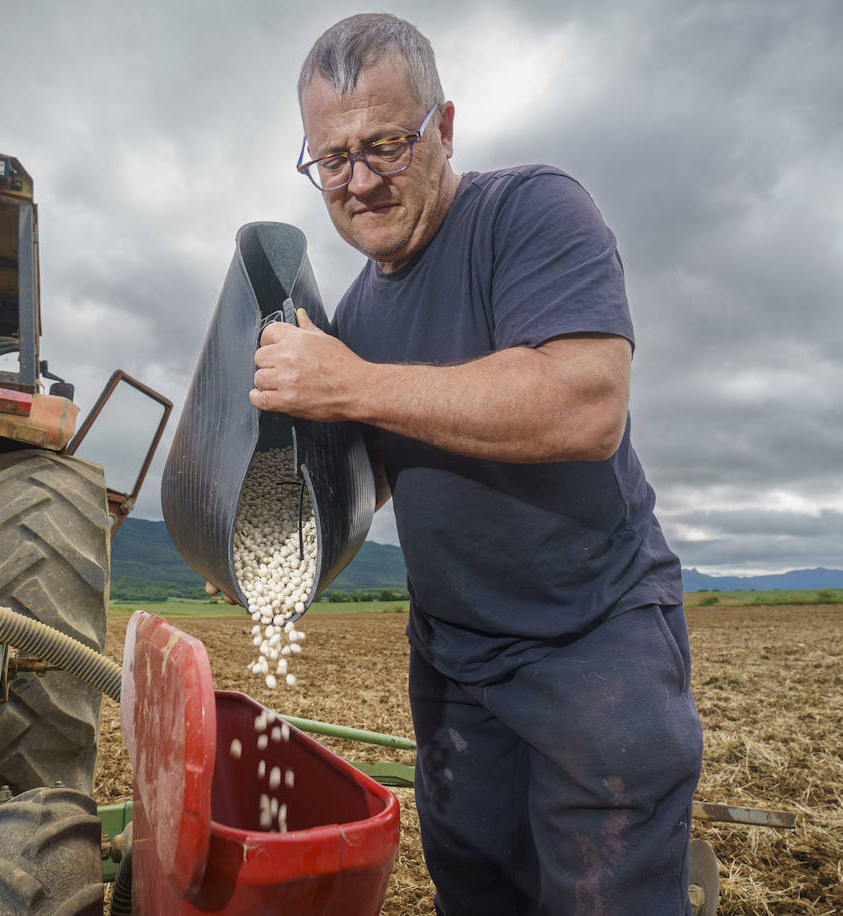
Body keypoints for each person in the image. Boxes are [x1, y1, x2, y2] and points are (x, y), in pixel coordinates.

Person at [248, 13, 705, 915]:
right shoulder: (355, 312)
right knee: (481, 888)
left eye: (385, 144)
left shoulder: (529, 212)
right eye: (331, 159)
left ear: (444, 129)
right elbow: (368, 480)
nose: (361, 181)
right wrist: (270, 550)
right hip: (456, 662)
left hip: (591, 641)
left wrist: (356, 386)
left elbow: (585, 403)